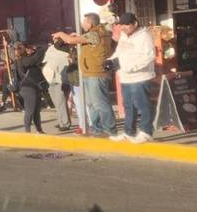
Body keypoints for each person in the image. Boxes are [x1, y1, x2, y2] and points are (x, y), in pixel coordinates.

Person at [53, 13, 115, 136]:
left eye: (84, 22)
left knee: (100, 102)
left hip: (96, 73)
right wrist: (80, 36)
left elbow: (70, 40)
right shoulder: (94, 33)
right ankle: (96, 129)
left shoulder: (95, 34)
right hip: (89, 72)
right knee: (91, 104)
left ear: (90, 23)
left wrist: (60, 34)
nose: (82, 24)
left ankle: (110, 129)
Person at [109, 11, 157, 143]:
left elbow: (149, 56)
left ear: (135, 23)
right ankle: (128, 132)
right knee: (128, 105)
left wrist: (132, 67)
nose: (123, 27)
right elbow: (119, 52)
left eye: (126, 25)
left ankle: (146, 132)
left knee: (143, 105)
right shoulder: (124, 36)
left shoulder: (144, 36)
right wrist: (110, 61)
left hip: (140, 77)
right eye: (121, 25)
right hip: (125, 78)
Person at [17, 42, 50, 134]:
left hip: (36, 87)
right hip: (28, 88)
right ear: (25, 50)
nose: (31, 49)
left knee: (36, 111)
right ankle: (27, 131)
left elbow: (40, 56)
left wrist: (36, 49)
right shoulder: (23, 60)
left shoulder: (30, 59)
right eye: (28, 47)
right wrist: (38, 48)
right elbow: (37, 56)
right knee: (30, 110)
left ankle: (39, 130)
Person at [42, 39, 73, 131]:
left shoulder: (66, 51)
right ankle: (61, 121)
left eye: (57, 39)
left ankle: (65, 123)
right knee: (57, 103)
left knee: (61, 102)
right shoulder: (51, 49)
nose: (55, 41)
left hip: (61, 81)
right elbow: (46, 61)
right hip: (51, 79)